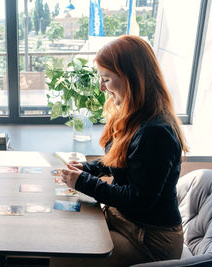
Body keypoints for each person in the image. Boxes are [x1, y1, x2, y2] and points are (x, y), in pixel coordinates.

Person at [51, 35, 188, 267]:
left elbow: (138, 201)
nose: (102, 87)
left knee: (63, 256)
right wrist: (87, 168)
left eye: (106, 78)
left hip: (150, 238)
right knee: (63, 232)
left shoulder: (156, 132)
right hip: (126, 221)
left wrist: (83, 181)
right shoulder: (134, 115)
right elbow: (120, 161)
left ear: (131, 78)